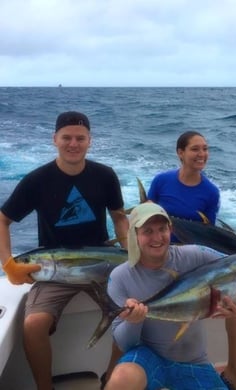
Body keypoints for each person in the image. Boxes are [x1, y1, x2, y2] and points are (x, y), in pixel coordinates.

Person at [0, 111, 129, 390]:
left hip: (102, 264)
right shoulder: (37, 180)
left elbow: (120, 217)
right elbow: (2, 219)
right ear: (54, 140)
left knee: (131, 314)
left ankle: (111, 379)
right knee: (34, 324)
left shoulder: (105, 176)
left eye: (80, 138)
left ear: (90, 141)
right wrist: (8, 263)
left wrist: (132, 257)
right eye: (67, 138)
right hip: (54, 269)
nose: (73, 144)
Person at [104, 202, 236, 390]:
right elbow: (125, 343)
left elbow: (234, 268)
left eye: (162, 229)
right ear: (134, 234)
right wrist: (134, 321)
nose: (157, 237)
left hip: (194, 361)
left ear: (170, 229)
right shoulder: (120, 276)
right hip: (147, 357)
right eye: (147, 231)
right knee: (123, 379)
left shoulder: (196, 254)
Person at [149, 130, 236, 390]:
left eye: (205, 148)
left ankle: (235, 370)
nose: (201, 154)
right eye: (195, 149)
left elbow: (209, 234)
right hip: (161, 256)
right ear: (180, 153)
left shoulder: (211, 192)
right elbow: (147, 217)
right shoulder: (162, 182)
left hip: (193, 260)